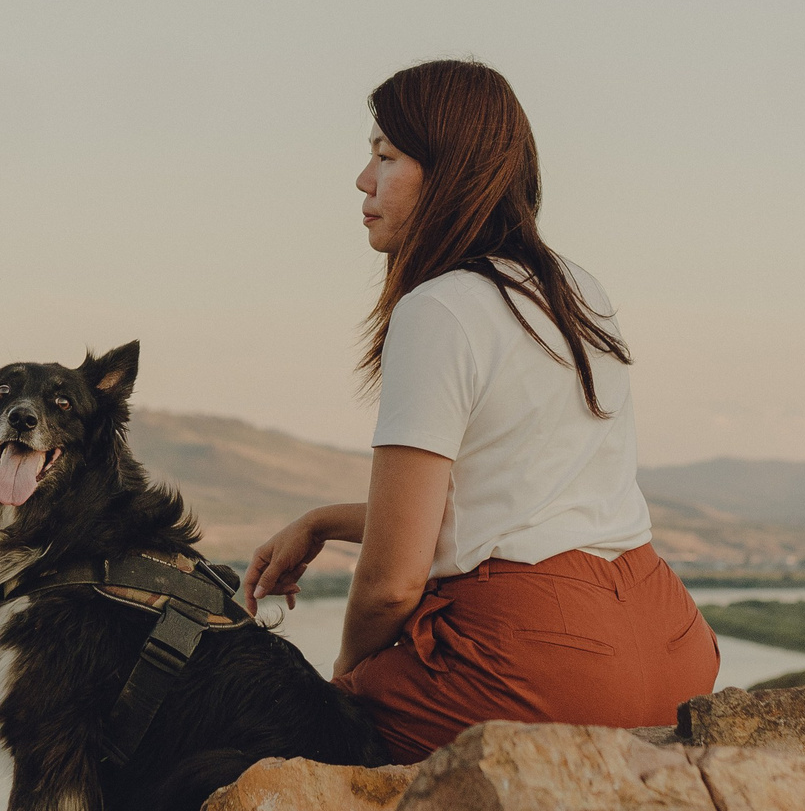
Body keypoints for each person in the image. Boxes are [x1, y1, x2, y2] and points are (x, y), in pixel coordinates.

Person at [243, 59, 718, 763]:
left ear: (449, 171)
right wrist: (322, 523)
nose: (364, 180)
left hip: (542, 670)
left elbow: (392, 585)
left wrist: (349, 683)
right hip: (673, 648)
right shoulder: (577, 290)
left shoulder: (437, 309)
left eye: (386, 156)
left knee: (279, 726)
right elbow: (509, 512)